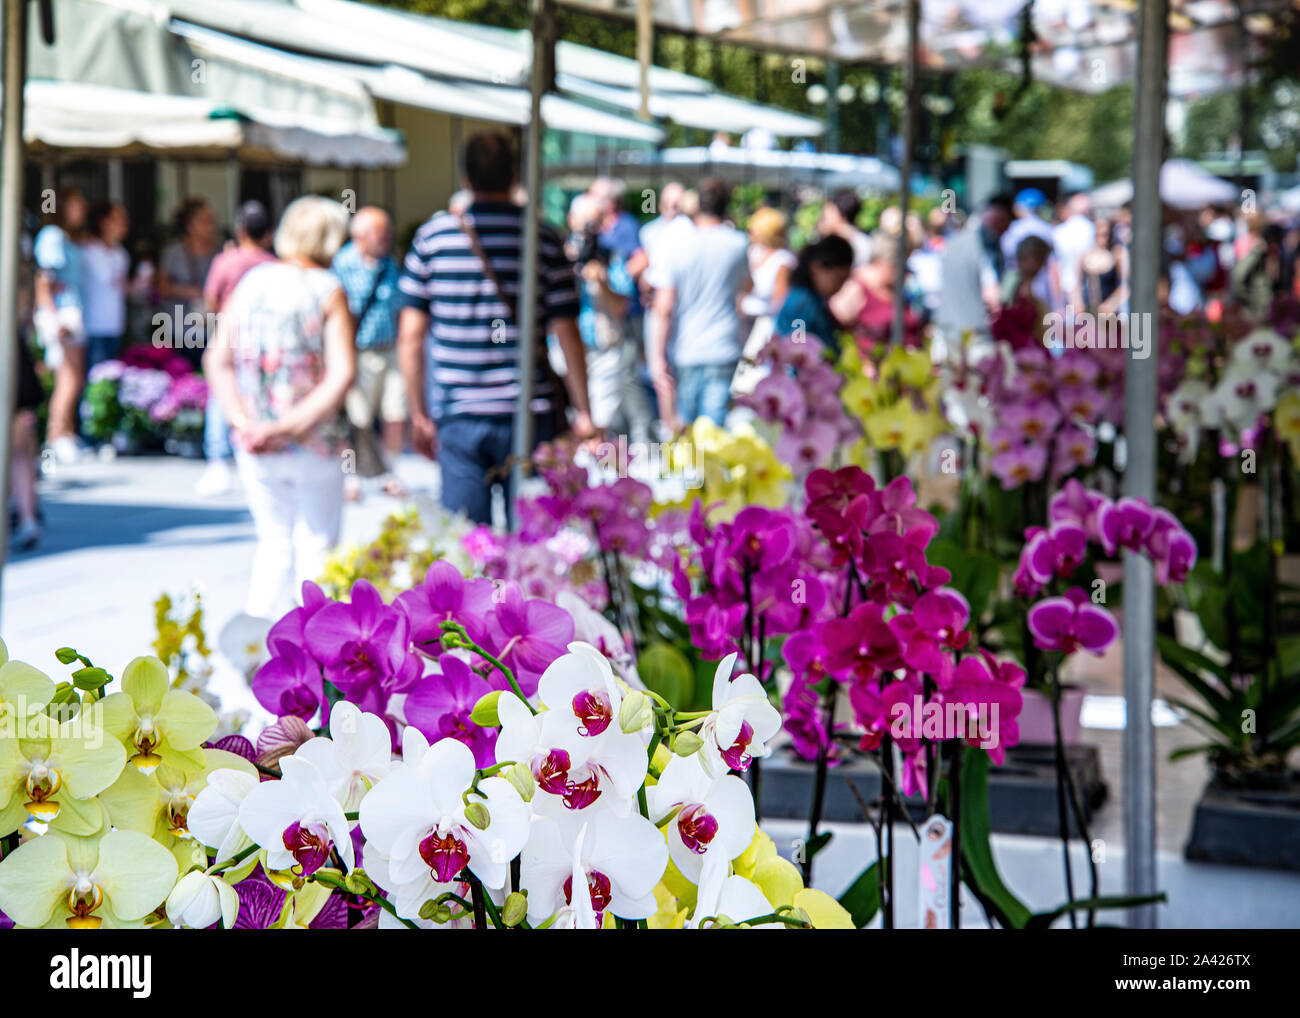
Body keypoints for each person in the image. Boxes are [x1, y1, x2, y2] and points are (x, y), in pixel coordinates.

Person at [397, 131, 592, 526]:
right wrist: (585, 409)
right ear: (515, 177)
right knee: (537, 547)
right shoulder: (543, 238)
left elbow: (411, 335)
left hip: (459, 413)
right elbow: (567, 331)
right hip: (530, 412)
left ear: (465, 179)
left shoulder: (432, 239)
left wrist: (417, 411)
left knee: (470, 548)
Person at [203, 197, 357, 620]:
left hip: (255, 442)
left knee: (273, 544)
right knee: (318, 548)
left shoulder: (252, 282)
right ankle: (318, 650)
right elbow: (341, 374)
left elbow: (217, 360)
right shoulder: (328, 288)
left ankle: (255, 647)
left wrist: (244, 423)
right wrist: (288, 428)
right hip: (314, 443)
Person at [648, 176, 751, 431]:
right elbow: (748, 288)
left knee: (688, 433)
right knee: (713, 431)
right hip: (723, 345)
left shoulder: (676, 244)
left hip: (686, 347)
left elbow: (663, 307)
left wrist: (656, 357)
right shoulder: (738, 244)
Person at [197, 200, 277, 496]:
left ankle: (218, 461)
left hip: (229, 340)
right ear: (268, 233)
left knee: (221, 397)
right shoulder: (273, 265)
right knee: (258, 395)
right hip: (263, 343)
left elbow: (210, 301)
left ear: (240, 230)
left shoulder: (225, 262)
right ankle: (254, 449)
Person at [332, 206, 407, 498]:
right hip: (357, 352)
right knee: (357, 419)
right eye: (380, 232)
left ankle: (391, 472)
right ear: (360, 235)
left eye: (388, 231)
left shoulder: (391, 264)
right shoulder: (343, 263)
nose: (387, 237)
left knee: (395, 413)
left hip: (390, 349)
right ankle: (353, 476)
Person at [567, 193, 650, 438]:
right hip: (568, 350)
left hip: (603, 347)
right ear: (572, 220)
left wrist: (602, 283)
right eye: (586, 224)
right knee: (574, 424)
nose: (591, 232)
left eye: (597, 223)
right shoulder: (558, 255)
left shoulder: (611, 256)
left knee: (600, 422)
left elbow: (622, 306)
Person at [33, 188, 89, 465]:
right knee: (67, 378)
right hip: (62, 314)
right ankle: (56, 436)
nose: (81, 211)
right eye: (76, 205)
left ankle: (64, 432)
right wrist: (54, 318)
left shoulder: (66, 238)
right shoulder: (52, 237)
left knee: (73, 377)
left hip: (71, 313)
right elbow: (44, 280)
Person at [935, 193, 1013, 352]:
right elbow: (993, 297)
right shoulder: (982, 247)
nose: (1005, 231)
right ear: (1000, 219)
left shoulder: (956, 242)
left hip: (949, 332)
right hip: (973, 337)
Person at [735, 206, 797, 393]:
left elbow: (781, 300)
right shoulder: (754, 253)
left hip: (766, 325)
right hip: (744, 322)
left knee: (757, 373)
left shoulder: (783, 260)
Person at [833, 230, 924, 353]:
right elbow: (836, 324)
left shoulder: (895, 287)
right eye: (899, 265)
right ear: (883, 262)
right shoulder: (856, 286)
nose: (902, 272)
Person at [158, 197, 219, 368]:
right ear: (190, 224)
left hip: (212, 330)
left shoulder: (220, 251)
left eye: (212, 220)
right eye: (206, 220)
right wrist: (187, 291)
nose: (211, 225)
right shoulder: (173, 252)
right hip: (179, 329)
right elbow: (162, 288)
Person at [773, 234, 854, 345]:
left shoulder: (813, 299)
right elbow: (796, 348)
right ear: (816, 267)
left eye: (844, 281)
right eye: (838, 279)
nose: (839, 287)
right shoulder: (801, 303)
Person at [80, 201, 130, 371]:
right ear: (103, 222)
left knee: (108, 378)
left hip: (115, 325)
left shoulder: (121, 253)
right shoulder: (87, 250)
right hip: (92, 326)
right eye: (117, 218)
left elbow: (121, 287)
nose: (123, 223)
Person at [1000, 188, 1060, 314]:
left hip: (1018, 285)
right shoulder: (1047, 229)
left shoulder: (1013, 229)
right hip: (1041, 286)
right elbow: (1053, 266)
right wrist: (1058, 303)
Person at [1052, 192, 1097, 310]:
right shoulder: (1090, 228)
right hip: (1085, 288)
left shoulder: (1058, 231)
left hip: (1064, 286)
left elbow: (1054, 265)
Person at [818, 189, 872, 268]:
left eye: (825, 217)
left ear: (841, 216)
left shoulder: (859, 244)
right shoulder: (865, 242)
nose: (821, 221)